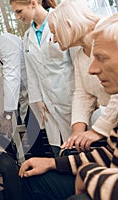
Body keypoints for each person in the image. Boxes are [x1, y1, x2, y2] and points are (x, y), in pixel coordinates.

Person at [17, 14, 118, 200]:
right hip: (102, 162)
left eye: (102, 58)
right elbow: (82, 94)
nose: (92, 69)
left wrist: (87, 173)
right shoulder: (80, 56)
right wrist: (53, 163)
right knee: (33, 179)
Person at [48, 0, 118, 152]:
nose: (53, 39)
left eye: (54, 32)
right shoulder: (80, 56)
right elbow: (82, 94)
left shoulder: (110, 34)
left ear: (69, 25)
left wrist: (97, 131)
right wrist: (77, 133)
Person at [10, 0, 75, 156]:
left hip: (71, 98)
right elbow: (31, 74)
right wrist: (38, 101)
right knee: (58, 151)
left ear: (33, 3)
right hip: (48, 106)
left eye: (19, 11)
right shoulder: (27, 37)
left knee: (80, 153)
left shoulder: (61, 21)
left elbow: (76, 63)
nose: (17, 17)